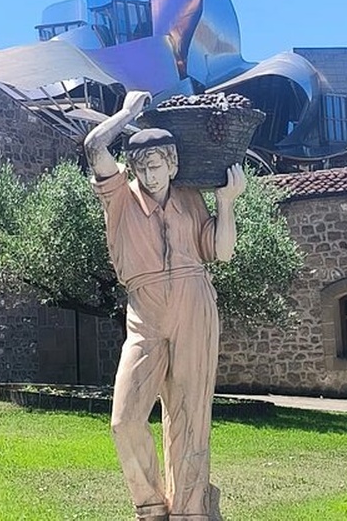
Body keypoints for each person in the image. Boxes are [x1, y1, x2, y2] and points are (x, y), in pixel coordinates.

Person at [84, 91, 246, 521]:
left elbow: (222, 252)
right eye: (141, 167)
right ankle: (150, 506)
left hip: (195, 302)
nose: (149, 175)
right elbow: (94, 146)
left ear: (172, 165)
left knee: (190, 415)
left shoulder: (190, 197)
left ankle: (191, 511)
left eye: (156, 166)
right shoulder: (119, 198)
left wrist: (226, 204)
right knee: (124, 420)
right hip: (146, 310)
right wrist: (127, 113)